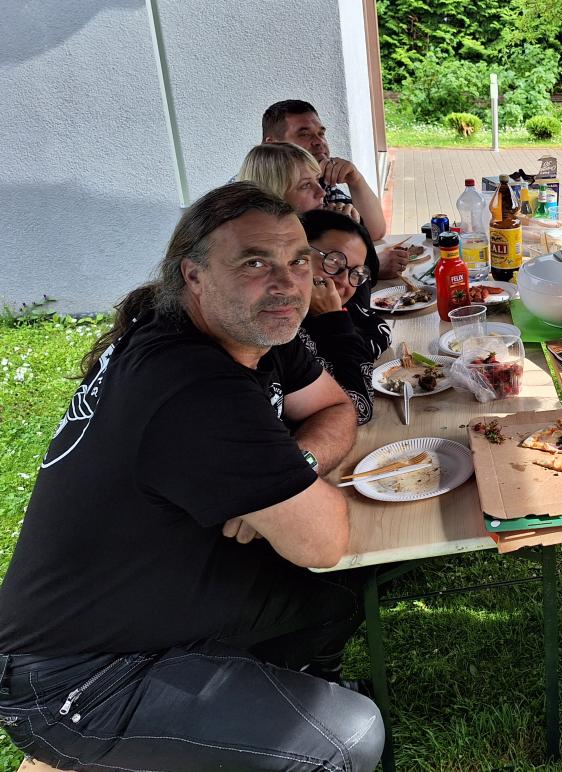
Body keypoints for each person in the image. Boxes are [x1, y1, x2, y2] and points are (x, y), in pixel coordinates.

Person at [0, 182, 384, 771]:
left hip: (158, 598)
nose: (287, 283)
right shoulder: (189, 383)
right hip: (75, 676)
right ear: (194, 276)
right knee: (347, 738)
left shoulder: (254, 330)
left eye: (298, 261)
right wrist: (287, 495)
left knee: (335, 597)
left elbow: (335, 408)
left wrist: (293, 468)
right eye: (254, 262)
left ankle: (275, 701)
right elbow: (323, 539)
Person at [239, 143, 391, 348]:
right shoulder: (277, 279)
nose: (321, 192)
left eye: (318, 181)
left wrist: (349, 230)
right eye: (305, 185)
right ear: (274, 198)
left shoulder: (324, 223)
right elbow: (355, 311)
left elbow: (360, 295)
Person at [262, 100, 404, 279]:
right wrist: (370, 268)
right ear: (272, 144)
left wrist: (355, 180)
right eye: (304, 134)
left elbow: (375, 231)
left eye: (321, 133)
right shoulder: (252, 197)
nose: (319, 142)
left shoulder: (320, 183)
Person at [300, 209, 392, 425]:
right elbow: (357, 408)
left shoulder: (350, 313)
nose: (343, 281)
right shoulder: (281, 332)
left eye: (356, 273)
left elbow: (379, 329)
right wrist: (333, 320)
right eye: (333, 261)